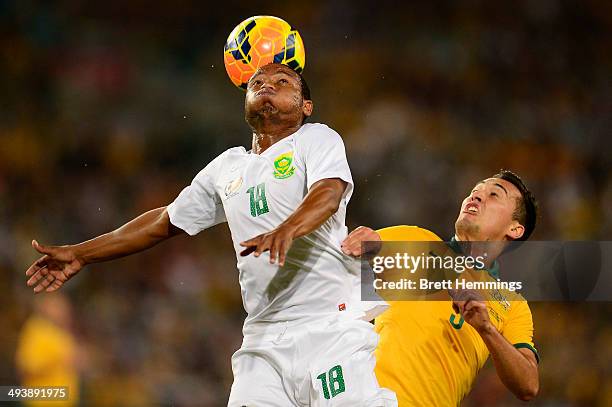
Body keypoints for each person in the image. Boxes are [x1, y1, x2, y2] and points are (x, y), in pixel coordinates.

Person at [25, 63, 397, 406]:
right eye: (257, 83)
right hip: (263, 340)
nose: (267, 85)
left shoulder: (317, 139)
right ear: (246, 102)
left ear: (307, 106)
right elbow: (164, 221)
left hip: (328, 325)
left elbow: (328, 193)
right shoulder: (227, 168)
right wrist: (82, 253)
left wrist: (288, 228)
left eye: (283, 82)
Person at [341, 170, 539, 406]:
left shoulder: (512, 304)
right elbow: (344, 257)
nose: (475, 197)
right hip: (362, 397)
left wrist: (486, 329)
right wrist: (359, 244)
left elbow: (528, 385)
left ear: (515, 229)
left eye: (494, 194)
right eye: (475, 192)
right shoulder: (415, 241)